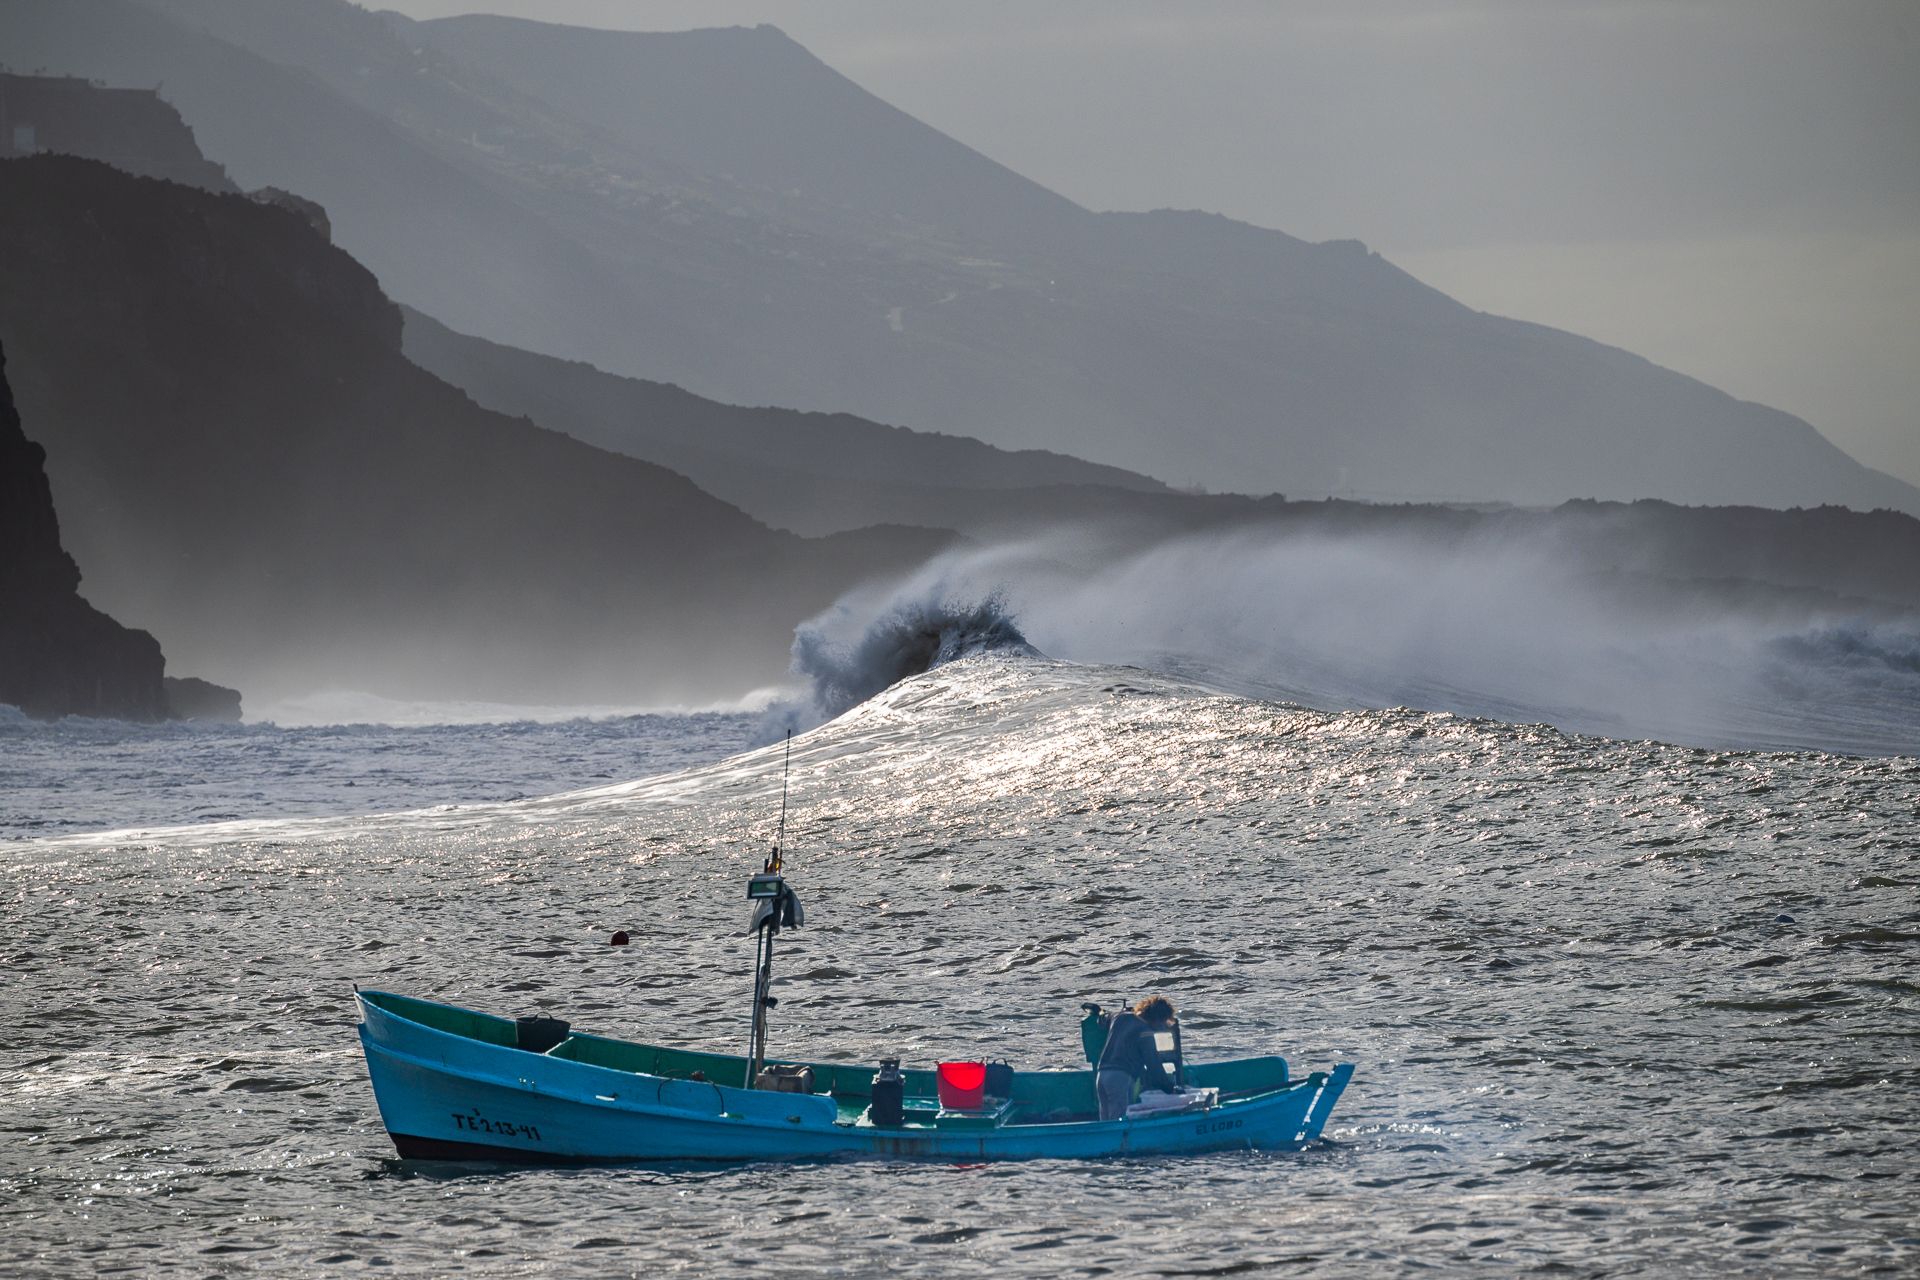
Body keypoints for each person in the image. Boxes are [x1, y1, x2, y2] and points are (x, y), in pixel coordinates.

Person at [1095, 995, 1177, 1121]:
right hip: (1121, 1077)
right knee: (1119, 1120)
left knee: (1105, 1119)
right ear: (1158, 1019)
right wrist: (1170, 1088)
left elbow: (1104, 1018)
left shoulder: (1120, 1017)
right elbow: (1153, 1065)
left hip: (1102, 1075)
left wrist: (1101, 1012)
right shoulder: (1146, 1032)